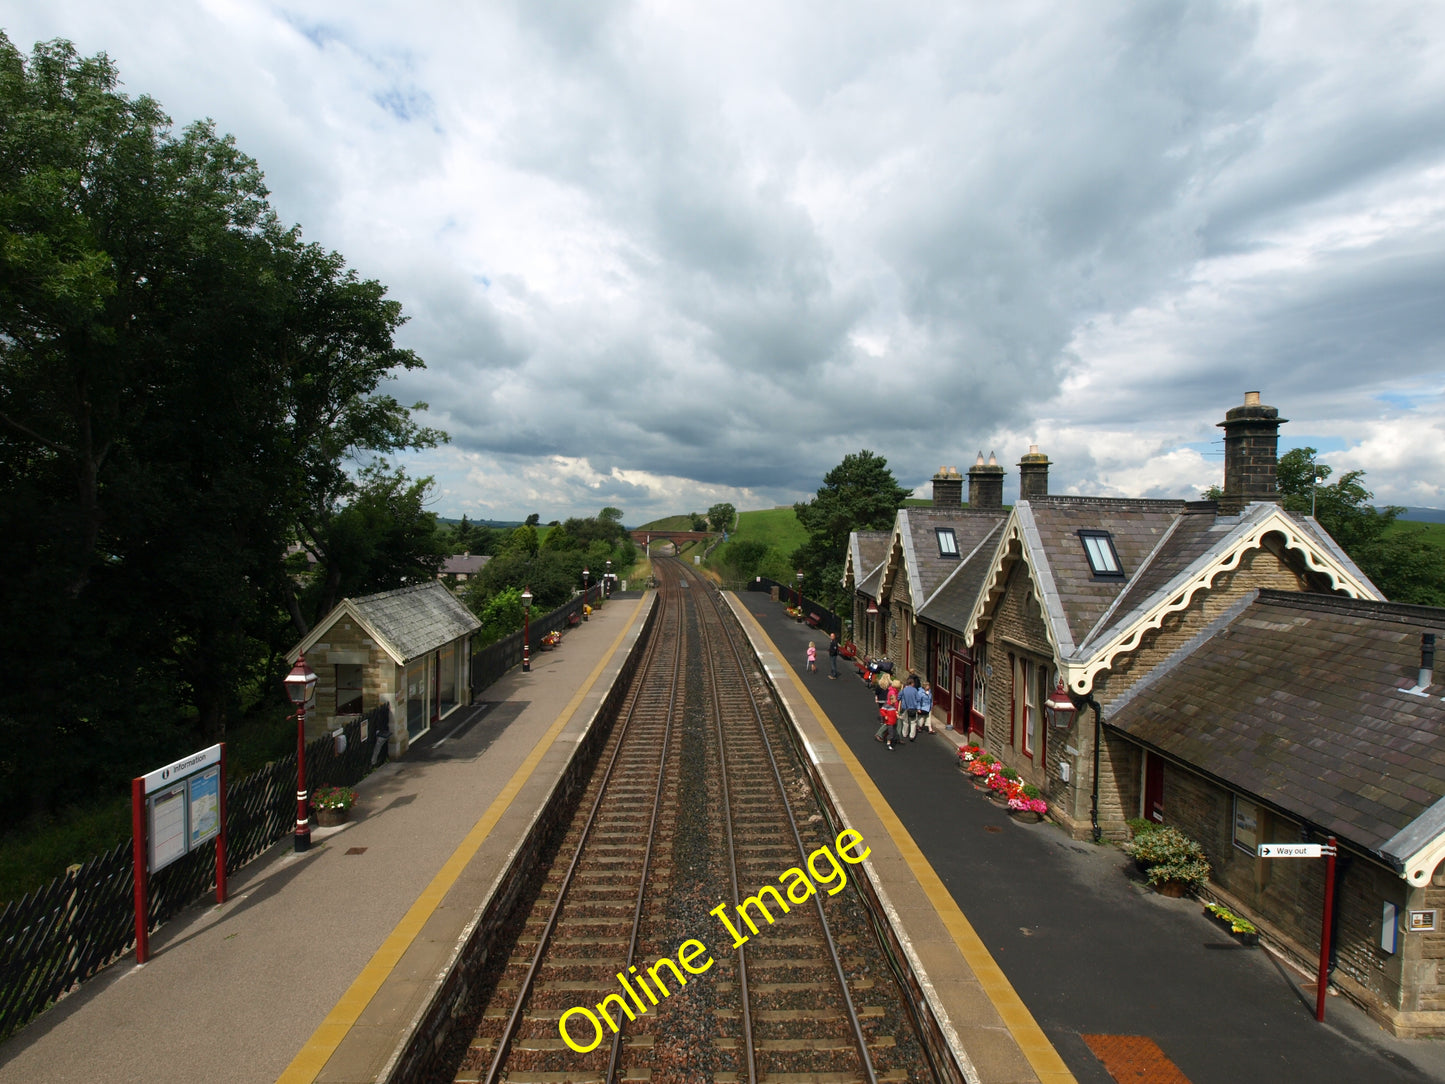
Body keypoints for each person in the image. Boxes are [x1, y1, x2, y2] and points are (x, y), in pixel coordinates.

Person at [899, 675, 922, 741]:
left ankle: (904, 734)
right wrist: (918, 708)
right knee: (913, 722)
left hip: (905, 708)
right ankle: (912, 735)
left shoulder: (904, 690)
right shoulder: (914, 690)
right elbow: (918, 699)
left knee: (905, 722)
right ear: (912, 683)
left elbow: (899, 697)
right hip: (913, 708)